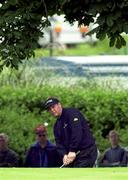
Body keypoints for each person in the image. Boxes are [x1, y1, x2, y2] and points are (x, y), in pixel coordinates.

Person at [43, 97, 97, 167]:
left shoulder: (72, 113)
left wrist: (72, 150)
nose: (52, 110)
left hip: (86, 152)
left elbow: (77, 132)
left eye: (53, 107)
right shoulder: (56, 126)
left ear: (59, 105)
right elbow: (59, 144)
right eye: (49, 109)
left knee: (79, 175)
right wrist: (64, 155)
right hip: (72, 155)